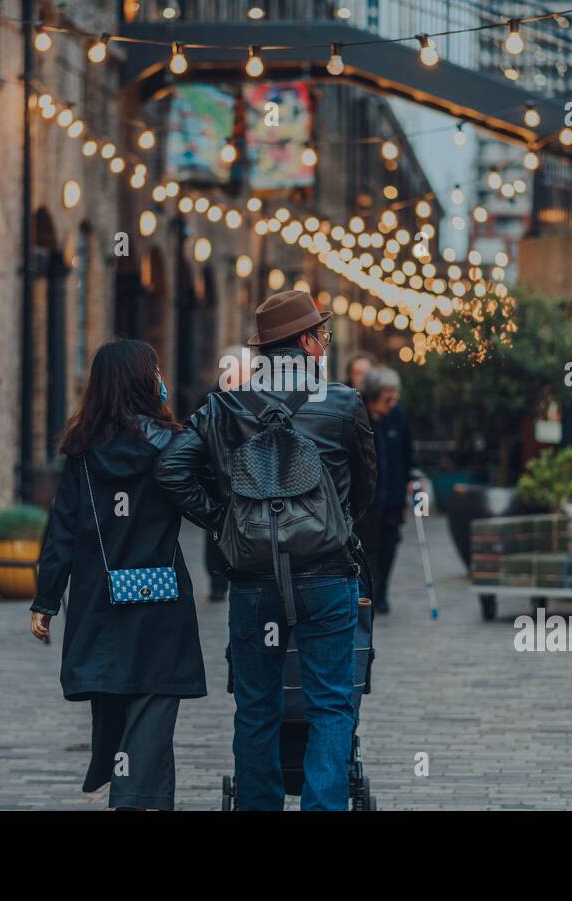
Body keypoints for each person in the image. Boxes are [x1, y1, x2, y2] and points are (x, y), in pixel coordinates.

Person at [154, 289, 377, 810]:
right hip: (326, 573)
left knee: (256, 707)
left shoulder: (224, 406)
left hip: (253, 577)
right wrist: (337, 522)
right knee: (330, 706)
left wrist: (224, 521)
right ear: (303, 341)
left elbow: (170, 470)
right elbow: (368, 484)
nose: (325, 342)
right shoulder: (342, 402)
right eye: (321, 334)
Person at [30, 339, 206, 811]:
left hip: (102, 601)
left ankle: (128, 791)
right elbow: (207, 506)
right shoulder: (173, 445)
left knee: (116, 697)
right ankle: (134, 800)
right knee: (154, 703)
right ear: (144, 382)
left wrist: (46, 599)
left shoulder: (83, 451)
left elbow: (62, 529)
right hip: (160, 598)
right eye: (156, 371)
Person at [356, 366, 415, 615]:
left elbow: (407, 450)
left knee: (388, 548)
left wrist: (413, 475)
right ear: (373, 397)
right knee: (365, 552)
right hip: (365, 503)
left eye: (394, 398)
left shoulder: (397, 417)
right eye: (387, 399)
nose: (392, 403)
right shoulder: (357, 418)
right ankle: (365, 598)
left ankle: (381, 595)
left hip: (391, 498)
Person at [202, 345, 251, 603]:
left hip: (249, 482)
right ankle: (217, 581)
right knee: (217, 534)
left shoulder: (257, 400)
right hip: (218, 483)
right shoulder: (210, 401)